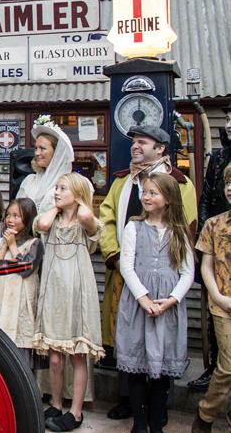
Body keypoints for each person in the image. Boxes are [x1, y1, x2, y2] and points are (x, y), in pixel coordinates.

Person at [98, 125, 197, 420]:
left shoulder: (180, 185)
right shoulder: (121, 183)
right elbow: (107, 219)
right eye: (133, 142)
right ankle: (129, 400)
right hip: (126, 275)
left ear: (161, 148)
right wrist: (113, 255)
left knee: (161, 343)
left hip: (165, 282)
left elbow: (187, 228)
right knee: (129, 340)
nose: (135, 147)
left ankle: (158, 408)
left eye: (143, 142)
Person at [116, 172, 194, 433]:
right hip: (139, 306)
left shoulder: (179, 232)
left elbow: (187, 272)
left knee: (162, 370)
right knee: (137, 366)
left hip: (167, 309)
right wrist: (144, 299)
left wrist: (171, 300)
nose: (146, 197)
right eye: (145, 192)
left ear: (169, 199)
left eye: (153, 193)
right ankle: (139, 425)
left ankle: (156, 422)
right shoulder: (134, 227)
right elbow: (127, 266)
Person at [34, 173, 105, 432]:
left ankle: (75, 412)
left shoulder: (84, 220)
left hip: (77, 291)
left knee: (77, 356)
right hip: (54, 292)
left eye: (62, 188)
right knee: (55, 358)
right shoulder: (51, 220)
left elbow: (87, 217)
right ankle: (55, 404)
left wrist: (79, 197)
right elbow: (41, 224)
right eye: (56, 187)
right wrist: (57, 204)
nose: (56, 191)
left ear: (76, 193)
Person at [190, 104, 231, 391]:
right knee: (214, 313)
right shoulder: (217, 158)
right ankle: (214, 369)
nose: (229, 124)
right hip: (218, 246)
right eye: (228, 119)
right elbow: (204, 199)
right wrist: (209, 236)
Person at [191, 164, 231, 433]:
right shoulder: (214, 224)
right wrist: (217, 295)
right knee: (228, 367)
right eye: (228, 183)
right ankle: (205, 414)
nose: (230, 188)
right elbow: (206, 265)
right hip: (223, 306)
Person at [0, 198, 42, 365]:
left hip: (20, 299)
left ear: (28, 219)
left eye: (17, 216)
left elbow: (26, 269)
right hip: (1, 297)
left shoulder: (34, 243)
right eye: (8, 215)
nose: (10, 219)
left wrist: (13, 246)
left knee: (19, 340)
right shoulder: (4, 241)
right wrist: (5, 245)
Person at [16, 115, 74, 215]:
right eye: (36, 148)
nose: (37, 153)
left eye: (42, 148)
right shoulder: (30, 181)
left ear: (56, 153)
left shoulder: (71, 184)